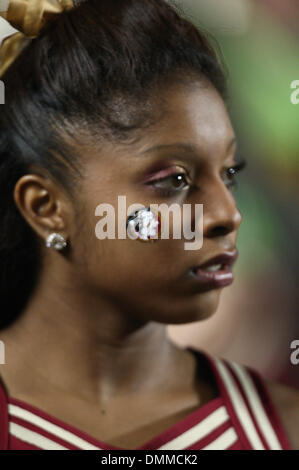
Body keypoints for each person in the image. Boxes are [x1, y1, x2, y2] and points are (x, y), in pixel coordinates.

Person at [0, 0, 298, 451]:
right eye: (172, 181)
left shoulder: (278, 427)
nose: (229, 215)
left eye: (228, 174)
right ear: (46, 208)